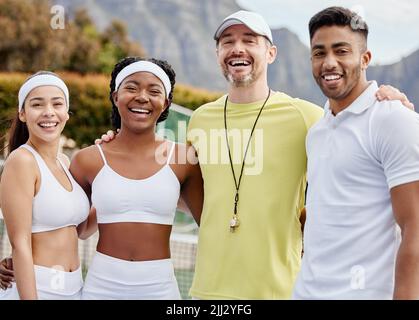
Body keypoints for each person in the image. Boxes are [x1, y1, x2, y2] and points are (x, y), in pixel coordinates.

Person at [292, 6, 419, 300]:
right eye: (319, 53)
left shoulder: (392, 119)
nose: (329, 62)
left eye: (341, 51)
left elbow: (415, 227)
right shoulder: (317, 132)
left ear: (365, 59)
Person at [70, 57, 203, 299]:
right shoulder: (87, 160)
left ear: (166, 103)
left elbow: (210, 223)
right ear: (115, 97)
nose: (142, 97)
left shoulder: (185, 159)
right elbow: (73, 229)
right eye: (131, 87)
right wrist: (16, 257)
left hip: (160, 289)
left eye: (154, 91)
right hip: (101, 288)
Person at [0, 71, 90, 299]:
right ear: (22, 113)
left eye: (57, 104)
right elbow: (20, 244)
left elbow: (80, 230)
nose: (49, 112)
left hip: (74, 286)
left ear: (66, 113)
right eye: (37, 104)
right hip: (38, 287)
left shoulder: (64, 162)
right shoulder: (22, 161)